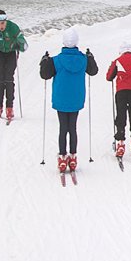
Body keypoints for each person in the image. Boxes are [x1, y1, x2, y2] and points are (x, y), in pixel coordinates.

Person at [38, 28, 97, 175]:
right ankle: (73, 157)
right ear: (76, 42)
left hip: (61, 98)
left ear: (63, 42)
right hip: (76, 98)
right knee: (73, 127)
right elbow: (93, 71)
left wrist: (44, 61)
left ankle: (62, 157)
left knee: (63, 128)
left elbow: (44, 75)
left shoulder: (56, 60)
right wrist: (90, 57)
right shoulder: (83, 59)